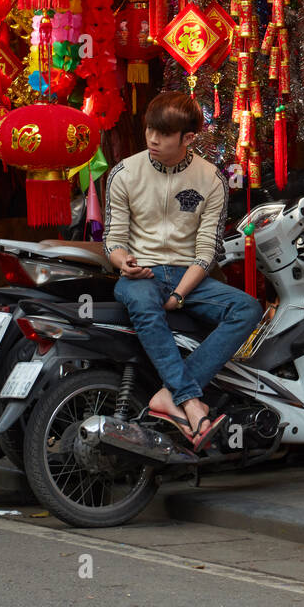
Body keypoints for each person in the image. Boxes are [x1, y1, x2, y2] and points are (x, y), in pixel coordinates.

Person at [103, 91, 262, 450]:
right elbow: (113, 238)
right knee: (143, 302)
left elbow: (208, 250)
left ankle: (170, 397)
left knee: (247, 308)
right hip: (139, 275)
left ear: (188, 138)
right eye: (149, 131)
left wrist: (179, 294)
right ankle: (190, 401)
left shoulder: (211, 179)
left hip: (189, 278)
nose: (152, 140)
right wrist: (123, 261)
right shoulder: (124, 173)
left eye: (163, 134)